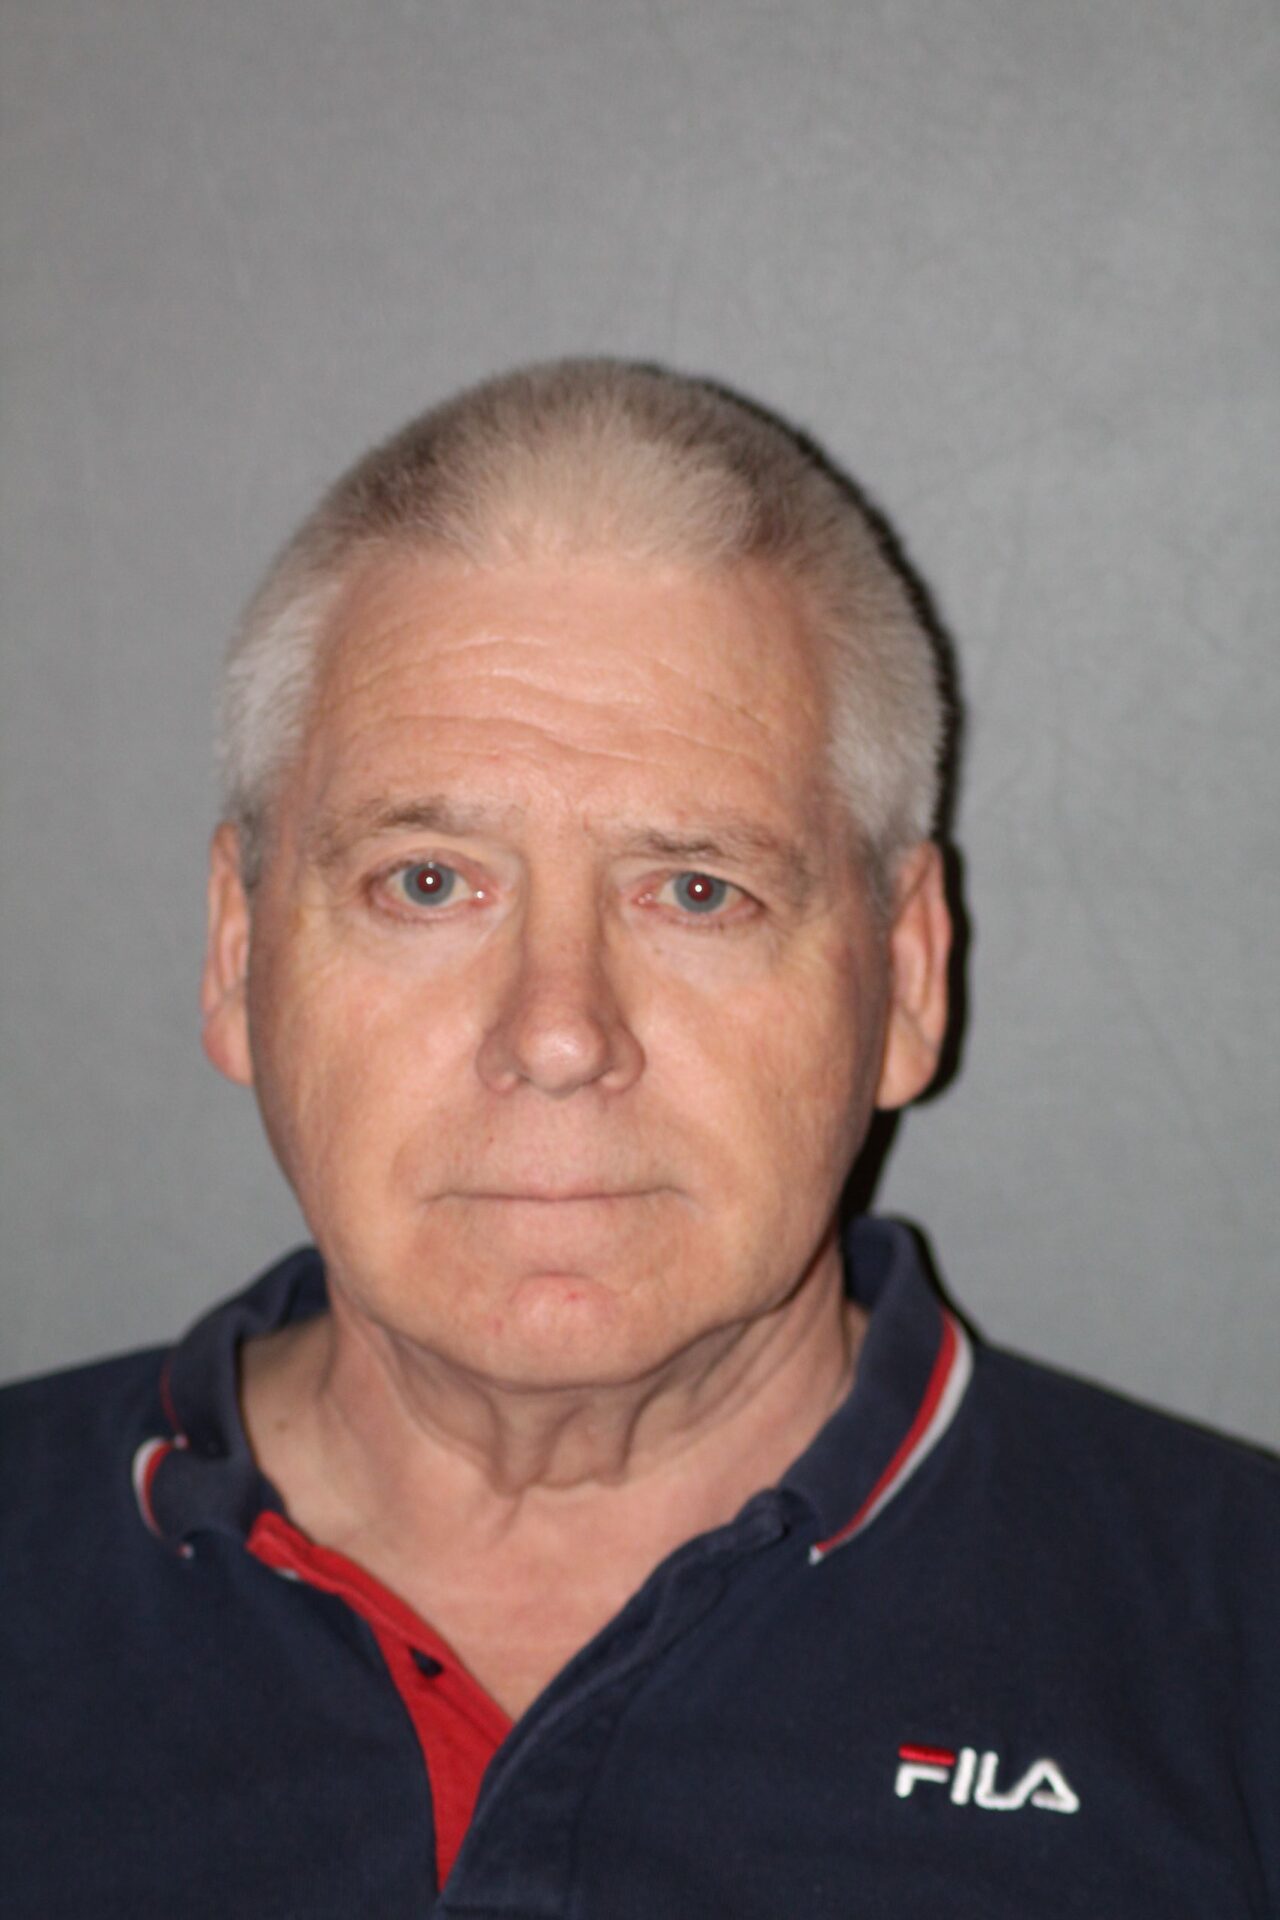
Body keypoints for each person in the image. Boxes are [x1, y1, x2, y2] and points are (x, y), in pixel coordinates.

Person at [2, 360, 1276, 1919]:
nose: (557, 1033)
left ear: (906, 977)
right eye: (427, 881)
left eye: (696, 891)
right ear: (235, 952)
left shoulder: (1240, 1653)